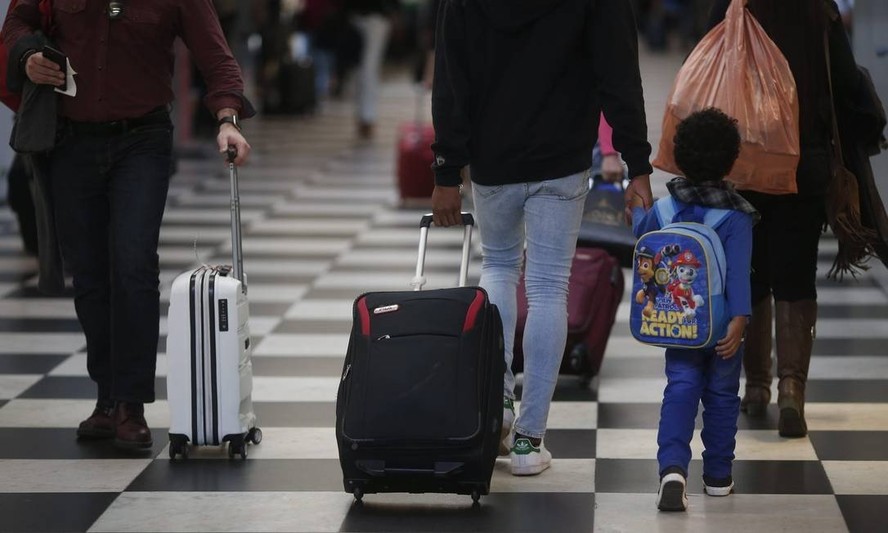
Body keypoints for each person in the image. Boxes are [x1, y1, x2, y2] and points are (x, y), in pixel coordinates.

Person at [2, 0, 253, 451]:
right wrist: (27, 57)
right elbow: (18, 21)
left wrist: (227, 119)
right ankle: (106, 397)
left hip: (143, 141)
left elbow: (216, 56)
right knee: (90, 275)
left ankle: (131, 405)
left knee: (134, 265)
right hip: (70, 145)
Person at [431, 0, 653, 476]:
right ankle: (530, 443)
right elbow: (618, 71)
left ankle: (497, 410)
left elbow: (451, 74)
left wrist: (446, 168)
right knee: (549, 286)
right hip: (562, 157)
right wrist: (637, 163)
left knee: (498, 268)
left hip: (493, 158)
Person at [708, 0, 861, 438]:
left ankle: (755, 387)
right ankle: (792, 388)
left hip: (744, 166)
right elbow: (846, 82)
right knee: (796, 275)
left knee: (750, 273)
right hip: (803, 164)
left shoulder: (732, 4)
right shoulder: (819, 8)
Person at [631, 108, 756, 511]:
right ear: (731, 159)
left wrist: (635, 207)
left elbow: (640, 235)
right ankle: (718, 476)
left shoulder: (665, 209)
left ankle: (672, 469)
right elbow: (738, 274)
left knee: (681, 387)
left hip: (678, 323)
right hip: (722, 326)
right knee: (721, 395)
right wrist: (740, 319)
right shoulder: (736, 216)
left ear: (679, 157)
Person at [344, 0, 399, 139]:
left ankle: (366, 116)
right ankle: (366, 116)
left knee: (366, 69)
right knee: (366, 69)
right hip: (366, 16)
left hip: (370, 16)